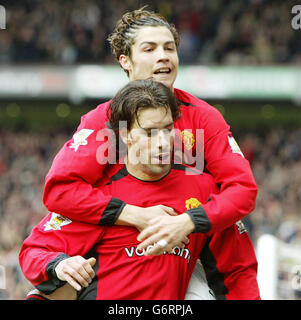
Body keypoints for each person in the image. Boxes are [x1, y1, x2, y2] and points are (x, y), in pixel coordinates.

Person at [42, 7, 258, 256]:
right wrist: (134, 215)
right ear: (125, 60)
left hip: (188, 250)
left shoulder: (204, 117)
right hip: (113, 249)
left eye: (169, 48)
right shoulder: (103, 120)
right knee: (54, 286)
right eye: (149, 49)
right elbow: (60, 191)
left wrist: (185, 223)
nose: (163, 56)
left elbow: (243, 190)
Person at [20, 80, 260, 300]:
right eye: (149, 133)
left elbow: (237, 271)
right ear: (126, 136)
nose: (162, 142)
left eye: (167, 129)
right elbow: (34, 250)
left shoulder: (203, 191)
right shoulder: (99, 196)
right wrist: (60, 264)